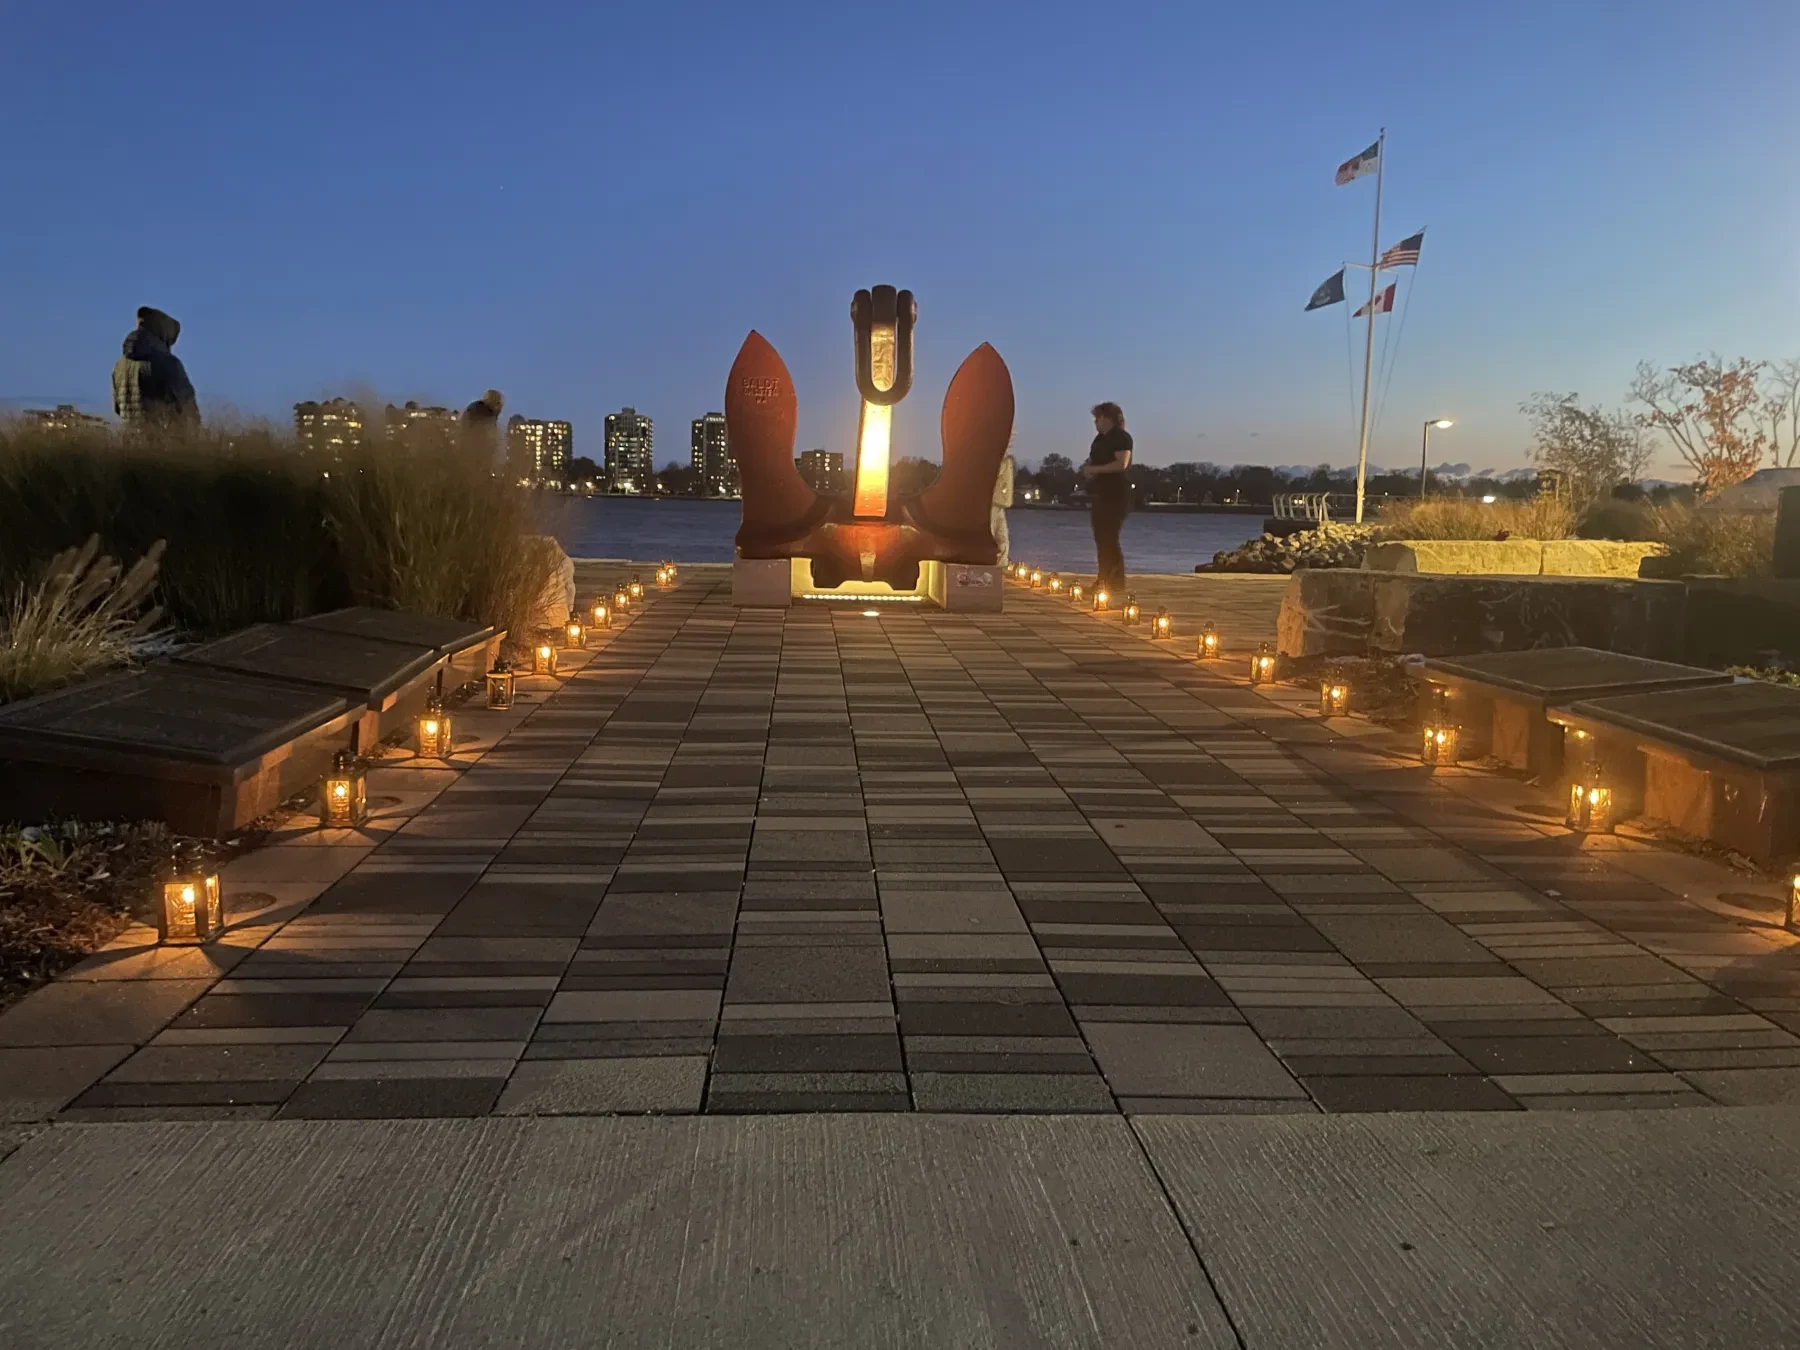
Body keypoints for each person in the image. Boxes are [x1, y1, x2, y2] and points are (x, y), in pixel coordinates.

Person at [112, 306, 198, 431]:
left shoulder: (119, 365)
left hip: (128, 443)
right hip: (162, 444)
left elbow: (117, 408)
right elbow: (188, 410)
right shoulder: (169, 364)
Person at [1085, 401, 1132, 590]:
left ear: (1109, 419)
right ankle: (1104, 577)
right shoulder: (1098, 440)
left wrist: (1095, 469)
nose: (1096, 422)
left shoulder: (1121, 438)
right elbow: (1094, 460)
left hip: (1117, 495)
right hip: (1099, 494)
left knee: (1109, 537)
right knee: (1100, 537)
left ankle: (1113, 579)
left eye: (1099, 418)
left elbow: (1122, 464)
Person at [460, 389, 505, 470]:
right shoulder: (485, 412)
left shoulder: (475, 408)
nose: (501, 409)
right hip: (474, 456)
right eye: (499, 404)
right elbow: (488, 437)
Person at [991, 443, 1015, 569]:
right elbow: (993, 473)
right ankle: (990, 564)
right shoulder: (996, 461)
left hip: (1000, 505)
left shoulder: (1007, 461)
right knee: (992, 535)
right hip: (992, 504)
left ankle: (1002, 565)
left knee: (1003, 537)